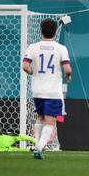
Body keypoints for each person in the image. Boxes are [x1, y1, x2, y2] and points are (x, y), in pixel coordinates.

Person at [23, 18, 72, 159]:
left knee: (40, 117)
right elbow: (67, 69)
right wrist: (68, 77)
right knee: (50, 121)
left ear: (41, 31)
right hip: (53, 91)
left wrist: (34, 73)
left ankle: (36, 145)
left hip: (37, 90)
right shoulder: (61, 48)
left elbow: (25, 66)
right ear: (56, 31)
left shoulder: (33, 47)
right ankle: (39, 148)